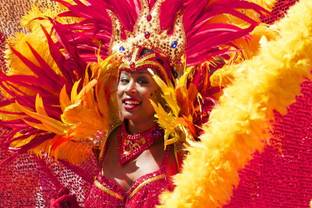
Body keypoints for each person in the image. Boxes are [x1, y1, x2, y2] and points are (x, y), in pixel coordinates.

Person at [0, 0, 277, 207]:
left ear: (163, 88)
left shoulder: (184, 149)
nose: (129, 89)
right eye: (124, 79)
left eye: (143, 80)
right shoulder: (110, 137)